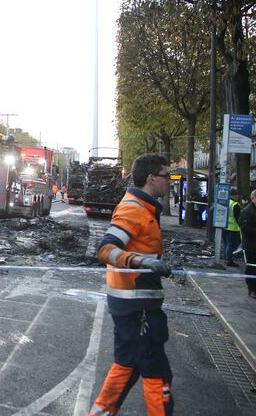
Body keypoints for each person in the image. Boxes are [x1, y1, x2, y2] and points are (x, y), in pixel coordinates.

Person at [89, 154, 173, 416]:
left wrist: (148, 262)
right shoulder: (133, 209)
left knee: (128, 364)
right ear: (151, 179)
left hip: (135, 303)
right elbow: (105, 250)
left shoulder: (144, 208)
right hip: (137, 307)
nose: (169, 181)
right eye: (166, 176)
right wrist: (140, 261)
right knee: (155, 371)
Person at [222, 188, 242, 267]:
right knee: (231, 245)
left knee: (226, 244)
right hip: (233, 228)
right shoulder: (235, 204)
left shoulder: (226, 202)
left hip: (224, 226)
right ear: (234, 195)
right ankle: (229, 261)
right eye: (237, 195)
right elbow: (238, 217)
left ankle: (226, 259)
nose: (238, 196)